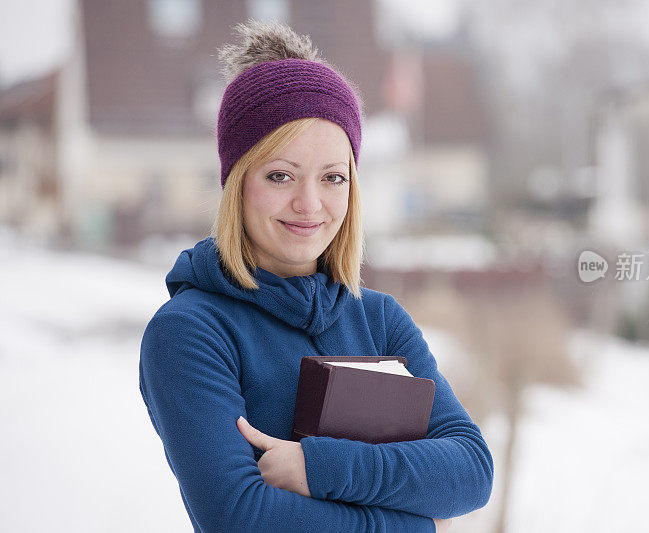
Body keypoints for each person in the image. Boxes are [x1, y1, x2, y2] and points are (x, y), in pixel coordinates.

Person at [139, 20, 493, 533]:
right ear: (237, 181)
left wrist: (319, 468)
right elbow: (239, 517)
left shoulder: (380, 320)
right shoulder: (191, 332)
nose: (310, 205)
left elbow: (470, 471)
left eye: (332, 178)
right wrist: (412, 525)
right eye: (280, 175)